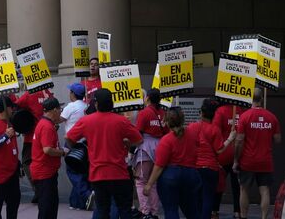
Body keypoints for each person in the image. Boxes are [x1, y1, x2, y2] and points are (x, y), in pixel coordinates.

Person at [66, 88, 143, 219]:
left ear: (96, 104)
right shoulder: (122, 121)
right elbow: (139, 140)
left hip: (98, 174)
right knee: (124, 210)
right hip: (119, 173)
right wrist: (127, 143)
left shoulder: (86, 121)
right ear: (112, 103)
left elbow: (69, 138)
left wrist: (80, 147)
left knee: (102, 210)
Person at [143, 107, 202, 219]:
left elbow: (159, 165)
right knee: (192, 211)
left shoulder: (166, 140)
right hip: (190, 175)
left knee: (171, 210)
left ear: (167, 122)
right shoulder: (192, 134)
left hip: (170, 176)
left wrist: (149, 184)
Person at [235, 87, 282, 219]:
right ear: (262, 98)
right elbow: (278, 139)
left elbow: (239, 140)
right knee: (265, 190)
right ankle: (263, 217)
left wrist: (236, 160)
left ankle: (244, 216)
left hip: (247, 161)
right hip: (265, 160)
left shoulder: (244, 116)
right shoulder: (272, 117)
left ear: (250, 98)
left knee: (244, 189)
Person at [187, 98, 236, 219]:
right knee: (208, 198)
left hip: (194, 167)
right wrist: (230, 138)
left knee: (196, 197)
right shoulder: (215, 130)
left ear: (202, 113)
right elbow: (219, 150)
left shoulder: (191, 127)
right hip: (210, 168)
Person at [15, 86, 55, 202]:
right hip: (48, 133)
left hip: (32, 136)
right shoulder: (48, 93)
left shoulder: (29, 94)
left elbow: (15, 106)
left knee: (27, 161)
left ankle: (38, 188)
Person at [133, 88, 168, 219]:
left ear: (147, 98)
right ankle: (154, 212)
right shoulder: (163, 112)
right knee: (153, 181)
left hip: (145, 147)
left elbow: (138, 132)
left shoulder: (144, 112)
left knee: (141, 180)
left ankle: (145, 211)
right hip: (160, 147)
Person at [58, 83, 92, 210]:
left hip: (72, 142)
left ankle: (87, 194)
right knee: (82, 172)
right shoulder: (86, 106)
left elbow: (58, 119)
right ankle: (76, 203)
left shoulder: (71, 106)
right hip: (85, 143)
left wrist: (56, 110)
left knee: (73, 172)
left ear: (73, 93)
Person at [32, 97, 67, 219]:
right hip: (44, 173)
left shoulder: (45, 124)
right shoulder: (46, 126)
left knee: (49, 207)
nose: (61, 111)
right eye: (60, 109)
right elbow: (47, 149)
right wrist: (62, 153)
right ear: (54, 110)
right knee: (47, 209)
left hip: (45, 172)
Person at [212, 102, 246, 218]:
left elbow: (215, 131)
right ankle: (237, 211)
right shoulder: (241, 111)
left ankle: (214, 210)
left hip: (223, 152)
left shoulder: (220, 111)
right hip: (238, 153)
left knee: (219, 184)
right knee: (237, 185)